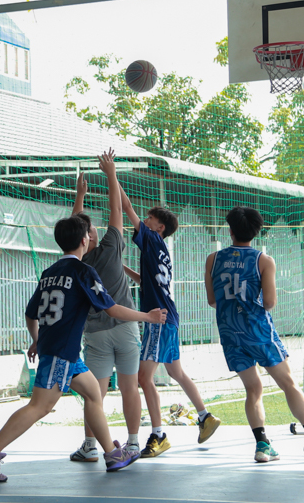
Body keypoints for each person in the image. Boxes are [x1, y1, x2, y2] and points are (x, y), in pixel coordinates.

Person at [0, 216, 167, 482]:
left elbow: (30, 314)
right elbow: (111, 309)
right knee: (40, 406)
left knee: (94, 394)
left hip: (64, 351)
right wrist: (148, 316)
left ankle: (111, 454)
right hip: (61, 352)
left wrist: (37, 339)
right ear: (85, 240)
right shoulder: (83, 271)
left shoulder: (49, 273)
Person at [204, 207, 304, 462]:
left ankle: (262, 445)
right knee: (288, 383)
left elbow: (212, 300)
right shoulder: (263, 260)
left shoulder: (212, 259)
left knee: (253, 388)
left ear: (230, 231)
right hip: (258, 331)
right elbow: (269, 303)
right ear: (256, 232)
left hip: (230, 333)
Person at [121, 190, 220, 458]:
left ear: (159, 227)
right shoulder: (160, 251)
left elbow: (127, 207)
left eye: (149, 218)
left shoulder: (152, 239)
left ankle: (159, 435)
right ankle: (205, 416)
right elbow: (146, 282)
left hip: (159, 319)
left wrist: (112, 175)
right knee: (176, 372)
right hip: (170, 318)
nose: (144, 220)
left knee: (144, 378)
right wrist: (122, 268)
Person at [69, 150, 148, 461]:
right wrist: (111, 174)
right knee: (130, 388)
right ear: (89, 238)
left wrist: (80, 196)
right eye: (90, 229)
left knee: (95, 394)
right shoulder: (112, 247)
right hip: (126, 326)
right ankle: (133, 442)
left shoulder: (77, 263)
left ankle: (91, 445)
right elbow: (116, 207)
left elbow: (75, 226)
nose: (93, 228)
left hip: (96, 333)